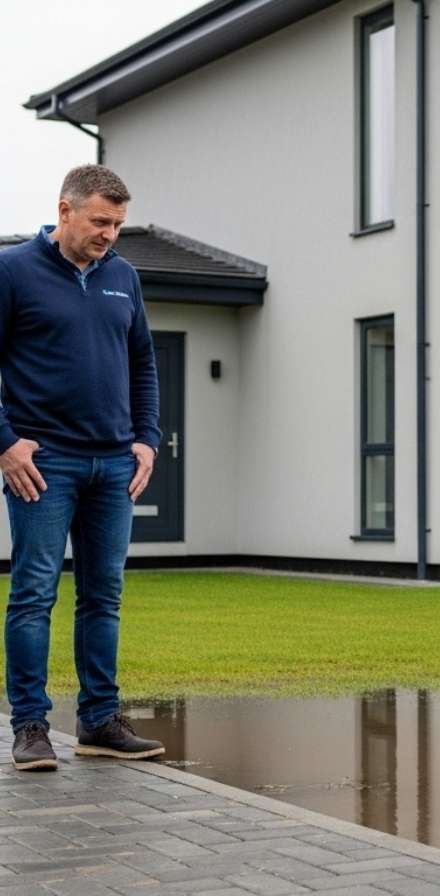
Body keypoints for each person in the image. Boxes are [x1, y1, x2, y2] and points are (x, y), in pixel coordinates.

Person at [0, 165, 166, 770]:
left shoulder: (124, 276)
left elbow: (143, 363)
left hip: (114, 465)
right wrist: (6, 443)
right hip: (44, 466)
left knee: (104, 596)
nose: (110, 234)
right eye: (100, 221)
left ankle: (99, 720)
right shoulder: (12, 271)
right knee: (34, 593)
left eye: (118, 224)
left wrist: (146, 439)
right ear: (64, 211)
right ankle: (30, 727)